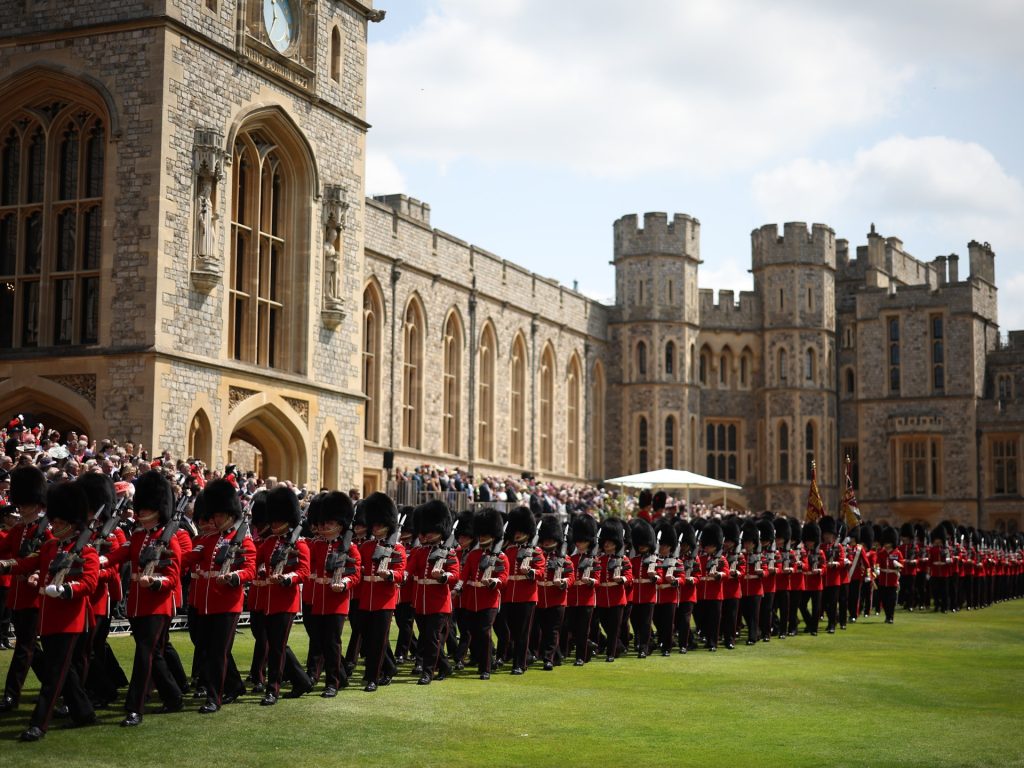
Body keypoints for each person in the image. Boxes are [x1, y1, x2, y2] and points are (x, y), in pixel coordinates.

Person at [1, 481, 98, 741]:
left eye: (58, 522)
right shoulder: (50, 547)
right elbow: (26, 563)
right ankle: (84, 712)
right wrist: (6, 565)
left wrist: (66, 590)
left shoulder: (86, 551)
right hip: (48, 617)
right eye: (53, 521)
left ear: (72, 523)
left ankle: (39, 724)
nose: (53, 525)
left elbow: (89, 583)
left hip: (69, 621)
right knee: (65, 672)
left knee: (54, 675)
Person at [103, 470, 182, 727]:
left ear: (158, 510)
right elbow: (117, 556)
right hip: (137, 604)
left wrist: (155, 582)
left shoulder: (168, 539)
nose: (141, 512)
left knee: (144, 654)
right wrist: (97, 559)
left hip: (157, 605)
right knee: (154, 655)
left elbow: (173, 577)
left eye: (146, 508)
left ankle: (134, 707)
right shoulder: (138, 536)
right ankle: (173, 696)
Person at [182, 479, 256, 713]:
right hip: (204, 603)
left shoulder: (242, 540)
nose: (215, 519)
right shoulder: (206, 539)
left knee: (218, 652)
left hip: (227, 603)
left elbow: (250, 570)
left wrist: (234, 577)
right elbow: (186, 559)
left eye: (219, 515)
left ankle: (214, 698)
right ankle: (235, 685)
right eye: (214, 515)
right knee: (208, 649)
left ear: (230, 515)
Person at [255, 486, 312, 705]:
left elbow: (304, 571)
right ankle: (302, 681)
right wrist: (260, 571)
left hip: (286, 601)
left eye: (278, 521)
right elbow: (255, 561)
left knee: (277, 647)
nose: (274, 524)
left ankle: (273, 689)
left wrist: (287, 578)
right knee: (276, 644)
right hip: (268, 600)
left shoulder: (300, 544)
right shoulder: (269, 543)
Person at [0, 465, 50, 712]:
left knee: (24, 647)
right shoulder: (19, 529)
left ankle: (11, 695)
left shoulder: (45, 531)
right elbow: (4, 548)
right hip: (17, 595)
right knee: (31, 648)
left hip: (33, 595)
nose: (20, 508)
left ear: (37, 504)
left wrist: (11, 566)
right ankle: (60, 688)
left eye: (25, 503)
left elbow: (44, 562)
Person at [305, 491, 361, 696]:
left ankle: (332, 682)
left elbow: (355, 574)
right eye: (323, 522)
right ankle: (336, 676)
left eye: (329, 522)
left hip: (336, 601)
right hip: (317, 600)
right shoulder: (315, 545)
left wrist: (344, 583)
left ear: (340, 523)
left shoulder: (350, 548)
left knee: (332, 643)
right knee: (318, 642)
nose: (324, 526)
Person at [406, 500, 459, 684]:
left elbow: (455, 575)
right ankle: (445, 666)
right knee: (428, 639)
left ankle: (427, 672)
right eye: (425, 530)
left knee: (432, 638)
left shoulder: (449, 553)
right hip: (420, 603)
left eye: (431, 530)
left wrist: (443, 576)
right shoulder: (419, 552)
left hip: (439, 603)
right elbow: (409, 570)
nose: (427, 534)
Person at [357, 492, 406, 692]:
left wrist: (390, 575)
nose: (375, 528)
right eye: (374, 525)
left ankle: (373, 677)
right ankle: (390, 667)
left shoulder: (397, 548)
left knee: (378, 641)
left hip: (385, 599)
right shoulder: (366, 546)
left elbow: (400, 573)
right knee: (369, 639)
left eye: (379, 525)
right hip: (366, 597)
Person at [457, 507, 509, 679]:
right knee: (475, 633)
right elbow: (464, 575)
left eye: (485, 535)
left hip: (489, 600)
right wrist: (457, 588)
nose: (482, 538)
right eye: (481, 535)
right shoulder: (474, 555)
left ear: (493, 536)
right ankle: (483, 662)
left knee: (485, 633)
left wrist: (494, 582)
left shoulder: (501, 557)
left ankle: (486, 668)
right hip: (472, 601)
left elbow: (503, 578)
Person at [500, 506, 545, 675]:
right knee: (512, 632)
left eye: (520, 531)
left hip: (527, 596)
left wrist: (530, 572)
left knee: (522, 633)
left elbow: (541, 571)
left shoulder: (536, 551)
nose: (517, 534)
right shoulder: (509, 550)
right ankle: (524, 657)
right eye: (515, 531)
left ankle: (519, 664)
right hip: (509, 596)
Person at [534, 513, 573, 671]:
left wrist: (563, 582)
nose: (547, 542)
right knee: (544, 630)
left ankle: (548, 658)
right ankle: (556, 655)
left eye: (550, 539)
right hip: (541, 599)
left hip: (557, 599)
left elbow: (571, 577)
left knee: (553, 631)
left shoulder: (564, 558)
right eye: (546, 539)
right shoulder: (537, 556)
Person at [594, 518, 632, 662]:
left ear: (616, 543)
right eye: (605, 541)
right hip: (602, 598)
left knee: (614, 628)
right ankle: (618, 647)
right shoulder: (599, 560)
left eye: (610, 542)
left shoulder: (623, 560)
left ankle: (611, 653)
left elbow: (629, 577)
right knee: (606, 626)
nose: (606, 544)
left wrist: (621, 579)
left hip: (617, 598)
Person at [563, 513, 598, 666]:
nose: (578, 544)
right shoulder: (571, 559)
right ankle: (587, 646)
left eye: (582, 541)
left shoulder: (593, 560)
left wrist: (589, 581)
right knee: (571, 628)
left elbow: (597, 579)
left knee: (583, 630)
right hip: (572, 599)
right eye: (577, 541)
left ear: (589, 542)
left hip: (586, 599)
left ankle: (580, 657)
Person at [628, 517, 660, 658]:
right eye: (639, 544)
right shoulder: (633, 560)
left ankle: (644, 647)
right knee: (635, 622)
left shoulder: (655, 560)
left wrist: (654, 577)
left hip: (648, 595)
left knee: (646, 623)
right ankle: (645, 642)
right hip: (635, 595)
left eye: (644, 544)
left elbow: (660, 577)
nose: (641, 546)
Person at [877, 526, 904, 624]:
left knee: (891, 600)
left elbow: (902, 564)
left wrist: (898, 565)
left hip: (892, 579)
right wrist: (877, 570)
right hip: (883, 579)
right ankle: (887, 616)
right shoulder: (881, 553)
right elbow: (877, 563)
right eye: (885, 543)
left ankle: (891, 617)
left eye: (888, 543)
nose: (886, 545)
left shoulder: (897, 553)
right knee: (884, 599)